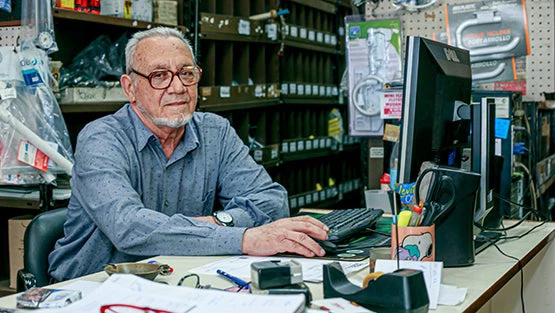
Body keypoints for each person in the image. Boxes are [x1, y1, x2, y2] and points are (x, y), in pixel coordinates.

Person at [48, 27, 328, 281]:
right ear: (130, 88)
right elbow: (129, 228)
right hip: (91, 287)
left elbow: (272, 202)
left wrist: (220, 222)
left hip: (179, 280)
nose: (178, 87)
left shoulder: (214, 132)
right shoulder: (102, 138)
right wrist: (243, 238)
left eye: (186, 73)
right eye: (159, 76)